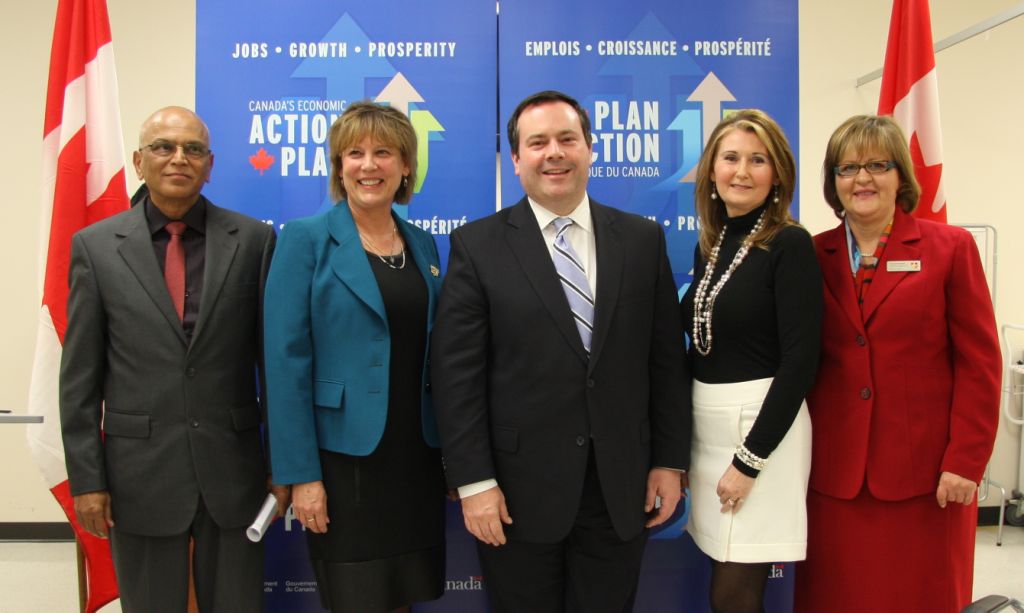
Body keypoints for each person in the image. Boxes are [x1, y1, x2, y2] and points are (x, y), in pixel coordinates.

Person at [430, 90, 691, 613]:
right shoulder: (477, 246)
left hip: (621, 488)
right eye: (538, 142)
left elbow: (665, 359)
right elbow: (456, 376)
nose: (555, 152)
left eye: (567, 139)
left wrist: (669, 460)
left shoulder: (642, 240)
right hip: (516, 494)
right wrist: (474, 481)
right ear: (516, 159)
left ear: (590, 149)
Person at [59, 106, 289, 612]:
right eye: (164, 147)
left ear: (210, 165)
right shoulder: (96, 249)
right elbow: (79, 378)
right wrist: (88, 480)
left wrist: (283, 463)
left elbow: (274, 365)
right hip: (138, 475)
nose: (178, 158)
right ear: (140, 162)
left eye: (193, 149)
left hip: (233, 472)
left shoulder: (253, 242)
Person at [794, 115, 1001, 612]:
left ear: (901, 176)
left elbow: (980, 363)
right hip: (833, 478)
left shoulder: (950, 249)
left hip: (927, 480)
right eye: (847, 167)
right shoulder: (809, 253)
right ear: (832, 181)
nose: (861, 178)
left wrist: (965, 461)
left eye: (877, 165)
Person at [264, 101, 446, 613]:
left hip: (416, 459)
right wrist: (301, 475)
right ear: (338, 167)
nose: (369, 165)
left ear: (406, 165)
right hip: (343, 466)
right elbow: (285, 363)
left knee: (404, 597)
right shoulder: (305, 239)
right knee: (358, 600)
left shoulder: (424, 245)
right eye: (355, 153)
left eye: (384, 152)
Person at [679, 109, 822, 613]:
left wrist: (750, 459)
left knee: (734, 595)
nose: (742, 171)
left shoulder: (790, 244)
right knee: (722, 575)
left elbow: (802, 360)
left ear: (778, 174)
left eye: (757, 160)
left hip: (761, 432)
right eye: (731, 157)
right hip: (709, 425)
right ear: (712, 171)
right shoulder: (712, 245)